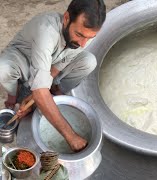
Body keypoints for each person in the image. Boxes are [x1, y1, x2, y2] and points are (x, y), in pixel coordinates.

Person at [0, 0, 106, 152]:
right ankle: (15, 93)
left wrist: (40, 92)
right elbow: (40, 86)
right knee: (3, 69)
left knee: (89, 61)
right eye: (79, 35)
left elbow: (60, 64)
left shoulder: (85, 35)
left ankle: (54, 92)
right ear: (66, 18)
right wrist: (71, 136)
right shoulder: (47, 30)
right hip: (24, 60)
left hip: (50, 62)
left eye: (89, 38)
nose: (83, 43)